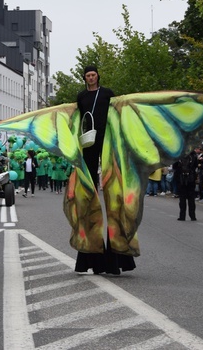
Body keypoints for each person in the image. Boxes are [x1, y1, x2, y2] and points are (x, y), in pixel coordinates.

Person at [73, 65, 135, 275]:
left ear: (97, 76)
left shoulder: (107, 93)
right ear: (84, 78)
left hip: (108, 142)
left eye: (93, 75)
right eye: (87, 75)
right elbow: (75, 119)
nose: (91, 78)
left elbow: (119, 113)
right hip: (89, 145)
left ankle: (117, 259)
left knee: (114, 196)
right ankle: (92, 259)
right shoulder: (81, 96)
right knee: (89, 199)